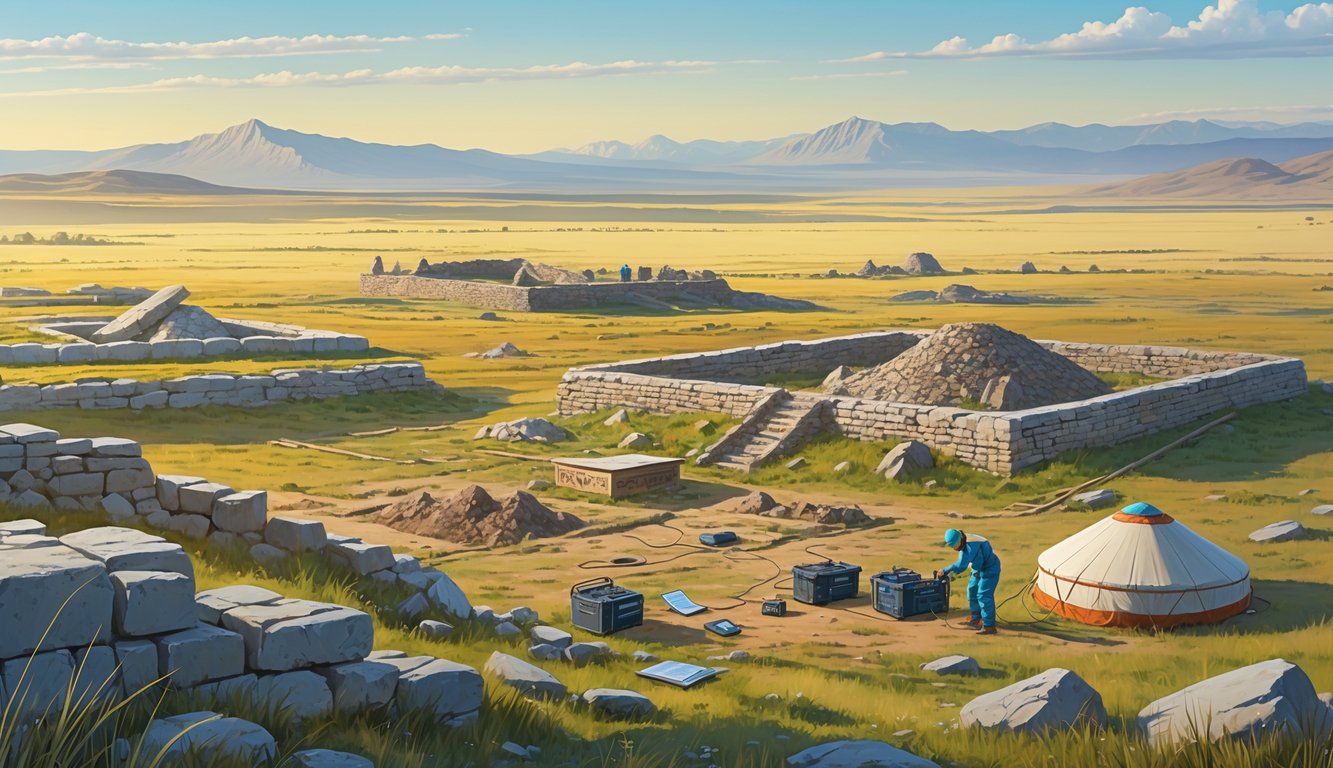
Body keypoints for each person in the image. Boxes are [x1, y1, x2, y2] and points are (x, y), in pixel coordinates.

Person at [938, 528, 1001, 634]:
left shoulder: (972, 545)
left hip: (990, 568)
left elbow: (961, 565)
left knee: (983, 595)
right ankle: (976, 619)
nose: (954, 548)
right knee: (972, 591)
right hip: (978, 568)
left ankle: (989, 626)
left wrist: (945, 570)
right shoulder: (963, 539)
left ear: (959, 541)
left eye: (954, 546)